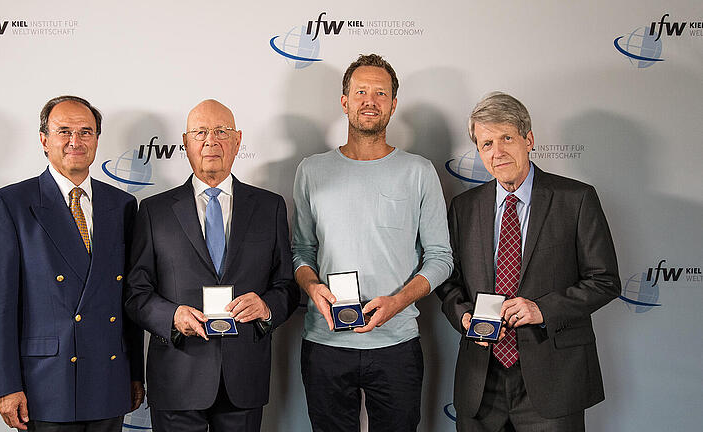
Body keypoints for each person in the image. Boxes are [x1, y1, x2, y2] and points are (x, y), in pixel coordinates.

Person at [438, 92, 620, 431]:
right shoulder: (464, 207)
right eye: (487, 143)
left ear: (529, 139)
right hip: (481, 380)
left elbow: (605, 279)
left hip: (554, 376)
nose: (498, 151)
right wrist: (463, 316)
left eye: (507, 138)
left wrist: (543, 310)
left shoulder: (576, 199)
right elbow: (449, 280)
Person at [292, 54, 454, 432]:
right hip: (326, 341)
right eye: (361, 91)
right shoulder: (311, 170)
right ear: (344, 101)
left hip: (397, 344)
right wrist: (312, 286)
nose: (370, 100)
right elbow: (301, 251)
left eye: (380, 93)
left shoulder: (418, 172)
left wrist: (398, 302)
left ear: (393, 105)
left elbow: (441, 258)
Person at [125, 99, 299, 432]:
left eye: (221, 131)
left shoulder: (270, 207)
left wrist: (266, 306)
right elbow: (136, 292)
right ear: (185, 143)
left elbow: (287, 286)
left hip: (244, 378)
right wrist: (172, 316)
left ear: (237, 140)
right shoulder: (153, 211)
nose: (211, 140)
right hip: (177, 375)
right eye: (200, 132)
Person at [0, 95, 144, 431]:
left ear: (97, 139)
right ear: (44, 140)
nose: (75, 141)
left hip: (108, 379)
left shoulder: (123, 205)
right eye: (64, 131)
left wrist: (134, 374)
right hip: (45, 384)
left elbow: (128, 300)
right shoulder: (10, 204)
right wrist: (5, 385)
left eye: (86, 132)